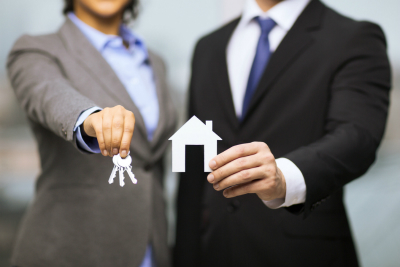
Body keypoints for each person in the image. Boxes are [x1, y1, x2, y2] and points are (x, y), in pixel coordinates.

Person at [174, 0, 391, 266]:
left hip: (302, 253)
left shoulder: (353, 37)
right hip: (214, 250)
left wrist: (284, 177)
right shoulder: (208, 47)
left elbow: (357, 136)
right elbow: (193, 162)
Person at [7, 0, 176, 266]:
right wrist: (91, 118)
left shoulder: (155, 62)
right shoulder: (36, 49)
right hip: (72, 248)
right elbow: (49, 94)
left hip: (151, 248)